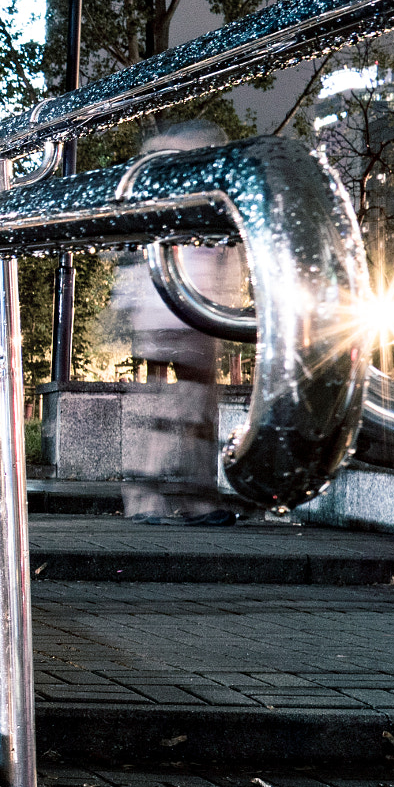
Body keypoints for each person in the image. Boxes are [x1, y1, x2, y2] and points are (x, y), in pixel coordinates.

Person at [107, 119, 244, 524]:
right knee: (181, 408)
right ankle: (154, 496)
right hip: (182, 313)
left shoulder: (162, 193)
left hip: (180, 313)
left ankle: (173, 497)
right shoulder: (198, 196)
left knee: (184, 407)